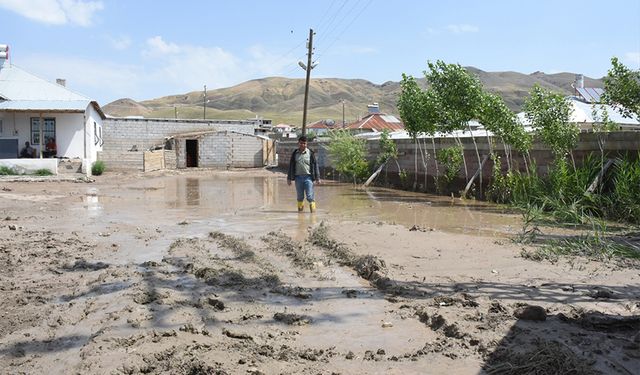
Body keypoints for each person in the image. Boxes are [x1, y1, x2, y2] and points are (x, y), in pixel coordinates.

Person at [287, 135, 321, 212]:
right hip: (298, 178)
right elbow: (291, 166)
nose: (303, 145)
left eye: (304, 143)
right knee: (300, 197)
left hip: (308, 178)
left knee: (309, 196)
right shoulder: (295, 153)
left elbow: (315, 166)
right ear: (298, 143)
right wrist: (289, 178)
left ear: (306, 144)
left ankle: (313, 213)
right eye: (301, 143)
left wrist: (318, 178)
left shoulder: (310, 153)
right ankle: (300, 214)